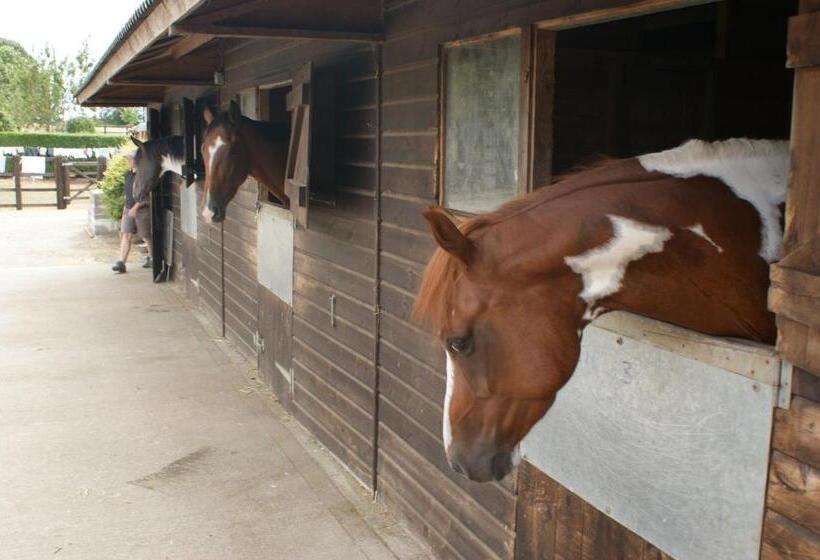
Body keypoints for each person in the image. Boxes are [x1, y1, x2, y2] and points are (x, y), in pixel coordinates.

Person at [112, 153, 152, 273]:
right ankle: (121, 263)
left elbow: (146, 194)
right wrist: (126, 206)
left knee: (146, 236)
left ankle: (152, 258)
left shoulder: (143, 175)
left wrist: (135, 208)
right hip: (128, 208)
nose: (128, 161)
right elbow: (128, 192)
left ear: (137, 160)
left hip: (142, 209)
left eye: (130, 159)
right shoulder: (128, 174)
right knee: (126, 234)